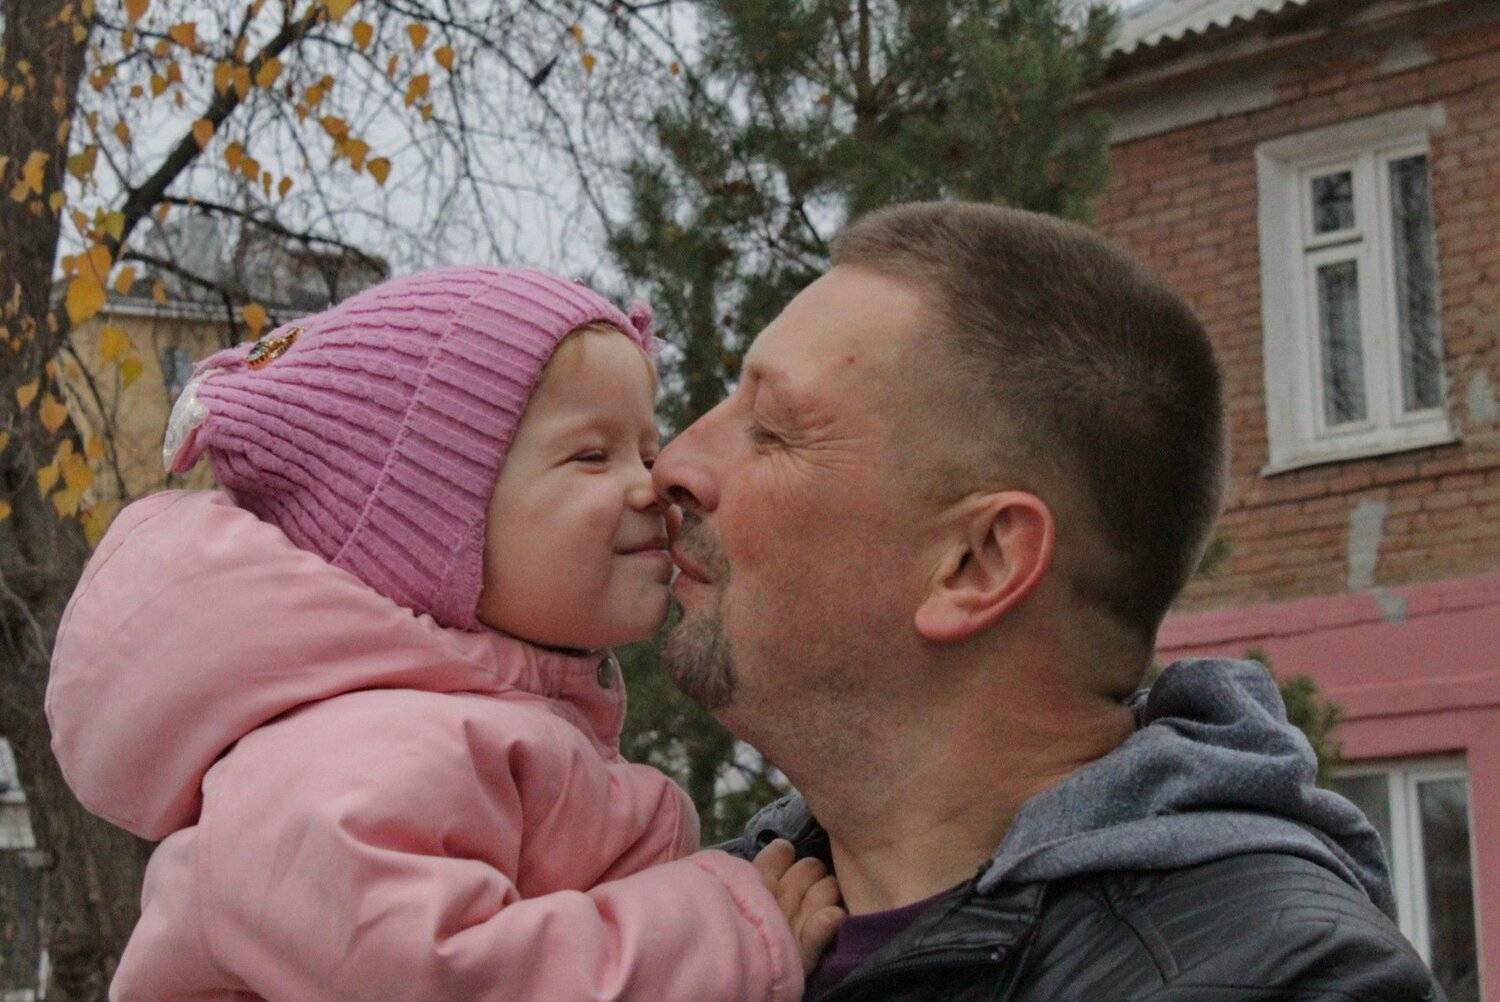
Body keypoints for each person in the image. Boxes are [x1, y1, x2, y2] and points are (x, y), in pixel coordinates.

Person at [652, 202, 1445, 1001]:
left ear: (978, 562)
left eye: (774, 430)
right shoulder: (695, 941)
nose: (671, 464)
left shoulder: (1283, 981)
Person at [47, 266, 842, 1001]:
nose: (653, 484)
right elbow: (431, 975)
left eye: (645, 448)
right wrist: (723, 935)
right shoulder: (350, 753)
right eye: (592, 456)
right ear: (426, 532)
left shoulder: (473, 723)